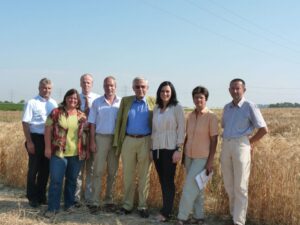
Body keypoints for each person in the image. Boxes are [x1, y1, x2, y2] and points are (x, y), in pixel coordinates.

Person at [221, 78, 268, 225]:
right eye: (232, 88)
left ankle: (239, 221)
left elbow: (264, 129)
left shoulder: (250, 106)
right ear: (229, 90)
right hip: (226, 145)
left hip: (241, 145)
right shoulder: (226, 108)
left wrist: (249, 142)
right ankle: (233, 214)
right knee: (229, 184)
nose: (235, 91)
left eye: (238, 88)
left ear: (244, 90)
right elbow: (224, 126)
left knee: (241, 185)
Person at [174, 86, 219, 225]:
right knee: (197, 188)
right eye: (196, 97)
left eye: (201, 97)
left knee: (189, 187)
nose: (198, 99)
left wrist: (210, 161)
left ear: (206, 99)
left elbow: (214, 140)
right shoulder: (190, 116)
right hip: (189, 156)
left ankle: (183, 217)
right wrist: (183, 157)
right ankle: (199, 217)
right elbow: (187, 137)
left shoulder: (211, 117)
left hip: (202, 157)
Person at [113, 77, 155, 218]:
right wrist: (117, 142)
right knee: (128, 175)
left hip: (146, 141)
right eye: (137, 86)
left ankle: (143, 206)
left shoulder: (153, 102)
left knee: (144, 176)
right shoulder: (126, 101)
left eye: (143, 86)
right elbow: (119, 121)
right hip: (129, 140)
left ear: (147, 88)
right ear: (133, 88)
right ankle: (127, 205)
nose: (140, 89)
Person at [44, 89, 88, 217]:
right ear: (65, 98)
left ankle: (69, 205)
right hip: (59, 153)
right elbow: (47, 129)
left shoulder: (81, 115)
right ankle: (53, 208)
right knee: (56, 181)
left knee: (72, 180)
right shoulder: (56, 112)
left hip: (76, 153)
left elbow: (85, 134)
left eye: (75, 98)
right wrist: (47, 148)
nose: (72, 100)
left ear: (78, 101)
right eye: (70, 97)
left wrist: (85, 151)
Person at [151, 81, 185, 222]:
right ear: (159, 93)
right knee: (162, 180)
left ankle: (166, 213)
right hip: (157, 148)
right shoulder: (156, 108)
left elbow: (182, 129)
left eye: (168, 92)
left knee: (168, 181)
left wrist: (178, 149)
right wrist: (151, 148)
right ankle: (165, 209)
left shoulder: (177, 108)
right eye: (163, 91)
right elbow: (154, 130)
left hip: (170, 148)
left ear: (172, 93)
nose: (165, 94)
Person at [22, 78, 58, 208]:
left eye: (49, 88)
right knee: (34, 169)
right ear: (39, 88)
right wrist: (29, 142)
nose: (46, 90)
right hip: (35, 138)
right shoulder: (32, 102)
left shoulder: (54, 103)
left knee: (45, 170)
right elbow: (25, 123)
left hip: (49, 139)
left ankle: (42, 196)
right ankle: (32, 197)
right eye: (44, 88)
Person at [88, 76, 121, 213]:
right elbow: (92, 123)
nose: (109, 88)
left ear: (115, 86)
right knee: (98, 171)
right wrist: (92, 141)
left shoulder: (121, 102)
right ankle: (95, 201)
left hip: (115, 140)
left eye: (112, 85)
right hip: (100, 138)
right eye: (107, 85)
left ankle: (109, 200)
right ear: (103, 87)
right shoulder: (97, 102)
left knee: (113, 171)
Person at [75, 73, 100, 206]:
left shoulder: (97, 99)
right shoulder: (75, 98)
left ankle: (89, 197)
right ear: (80, 83)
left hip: (92, 137)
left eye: (88, 82)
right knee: (78, 169)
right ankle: (76, 197)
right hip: (77, 138)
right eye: (84, 82)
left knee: (90, 169)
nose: (86, 85)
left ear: (92, 84)